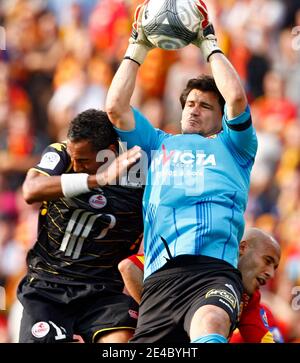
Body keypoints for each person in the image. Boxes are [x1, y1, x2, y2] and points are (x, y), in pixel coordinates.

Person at [106, 2, 258, 343]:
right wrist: (138, 44)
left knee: (211, 322)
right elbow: (115, 107)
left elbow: (235, 99)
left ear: (220, 119)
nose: (194, 109)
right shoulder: (157, 143)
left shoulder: (235, 147)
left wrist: (208, 41)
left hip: (213, 271)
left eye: (205, 106)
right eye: (190, 103)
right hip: (160, 278)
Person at [17, 109, 144, 343]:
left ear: (110, 152)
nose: (75, 166)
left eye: (84, 160)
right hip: (48, 288)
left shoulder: (140, 176)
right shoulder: (61, 154)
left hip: (104, 293)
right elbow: (30, 190)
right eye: (73, 157)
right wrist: (96, 179)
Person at [118, 228, 283, 343]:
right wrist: (165, 310)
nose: (271, 273)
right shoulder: (195, 255)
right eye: (267, 261)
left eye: (274, 267)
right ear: (242, 247)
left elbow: (262, 338)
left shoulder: (249, 298)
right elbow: (129, 267)